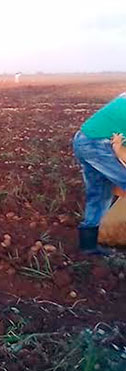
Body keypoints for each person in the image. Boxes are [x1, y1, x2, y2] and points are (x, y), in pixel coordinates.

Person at [72, 93, 126, 255]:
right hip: (98, 144)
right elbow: (122, 153)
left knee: (99, 192)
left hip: (84, 140)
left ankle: (88, 245)